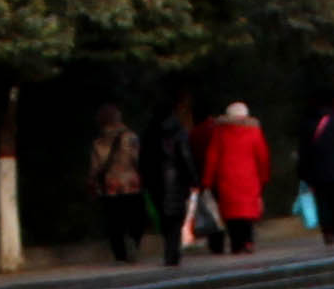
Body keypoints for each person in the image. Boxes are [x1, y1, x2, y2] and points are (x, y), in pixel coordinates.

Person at [200, 99, 271, 257]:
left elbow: (212, 157)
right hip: (249, 179)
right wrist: (264, 177)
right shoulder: (254, 132)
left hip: (227, 179)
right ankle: (248, 240)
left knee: (231, 214)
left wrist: (207, 180)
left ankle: (236, 243)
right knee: (247, 212)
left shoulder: (220, 132)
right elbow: (262, 157)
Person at [86, 102, 149, 264]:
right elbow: (138, 159)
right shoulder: (130, 137)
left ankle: (120, 255)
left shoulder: (98, 142)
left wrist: (93, 182)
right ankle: (134, 242)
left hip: (110, 186)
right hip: (131, 183)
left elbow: (94, 167)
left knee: (114, 222)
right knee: (136, 217)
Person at [148, 98, 203, 269]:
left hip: (156, 179)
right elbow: (185, 156)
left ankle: (169, 252)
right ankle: (172, 253)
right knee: (176, 215)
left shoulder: (150, 132)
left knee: (164, 215)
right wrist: (193, 179)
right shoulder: (178, 132)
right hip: (176, 179)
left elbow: (144, 159)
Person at [298, 93, 334, 247]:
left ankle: (328, 232)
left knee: (322, 203)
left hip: (316, 172)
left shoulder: (308, 123)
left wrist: (303, 173)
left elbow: (303, 150)